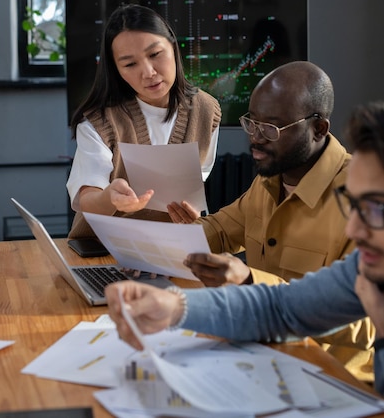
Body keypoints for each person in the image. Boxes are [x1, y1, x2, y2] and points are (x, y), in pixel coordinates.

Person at [106, 100, 384, 396]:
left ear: (317, 128)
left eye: (376, 208)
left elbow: (356, 328)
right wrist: (174, 306)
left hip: (337, 378)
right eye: (353, 204)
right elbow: (282, 308)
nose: (353, 227)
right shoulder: (362, 269)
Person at [167, 61, 374, 381]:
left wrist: (250, 282)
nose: (256, 138)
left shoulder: (362, 196)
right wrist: (154, 243)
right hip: (261, 356)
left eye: (271, 128)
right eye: (252, 122)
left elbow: (364, 322)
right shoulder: (271, 178)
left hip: (328, 374)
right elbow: (220, 230)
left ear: (318, 128)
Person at [67, 4, 221, 239]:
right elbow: (87, 197)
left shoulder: (206, 110)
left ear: (173, 47)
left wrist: (190, 215)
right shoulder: (100, 121)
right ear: (117, 70)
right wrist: (110, 197)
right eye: (130, 64)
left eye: (155, 54)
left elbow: (198, 179)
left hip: (170, 246)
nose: (148, 72)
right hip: (103, 249)